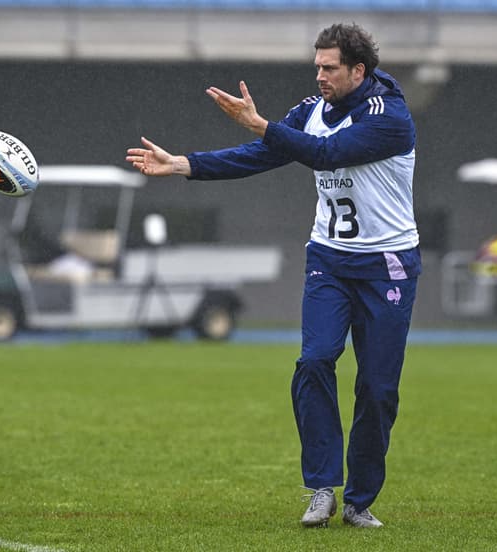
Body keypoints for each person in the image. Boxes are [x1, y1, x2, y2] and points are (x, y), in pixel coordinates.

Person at [126, 23, 419, 528]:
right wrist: (184, 165)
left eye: (330, 68)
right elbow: (266, 153)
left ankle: (359, 501)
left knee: (377, 389)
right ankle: (322, 488)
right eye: (317, 66)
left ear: (358, 71)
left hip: (387, 265)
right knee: (314, 360)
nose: (320, 75)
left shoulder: (389, 116)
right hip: (329, 259)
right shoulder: (312, 109)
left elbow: (326, 153)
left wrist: (260, 123)